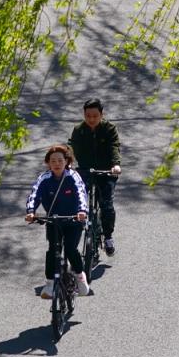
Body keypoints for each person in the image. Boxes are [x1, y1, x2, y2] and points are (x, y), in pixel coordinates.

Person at [24, 144, 92, 298]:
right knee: (52, 251)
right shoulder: (44, 178)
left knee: (70, 249)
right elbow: (35, 195)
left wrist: (82, 211)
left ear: (66, 161)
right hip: (53, 221)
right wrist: (31, 212)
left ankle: (80, 276)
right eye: (53, 161)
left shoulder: (73, 176)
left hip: (73, 220)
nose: (56, 164)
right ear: (48, 162)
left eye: (60, 160)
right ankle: (50, 283)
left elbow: (81, 193)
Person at [69, 98, 121, 256]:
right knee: (77, 202)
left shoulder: (109, 128)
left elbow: (114, 146)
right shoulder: (79, 130)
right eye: (88, 116)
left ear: (101, 114)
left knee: (106, 205)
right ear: (84, 115)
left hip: (106, 172)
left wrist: (115, 164)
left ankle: (108, 237)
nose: (91, 119)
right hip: (85, 171)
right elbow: (71, 146)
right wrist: (68, 162)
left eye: (95, 116)